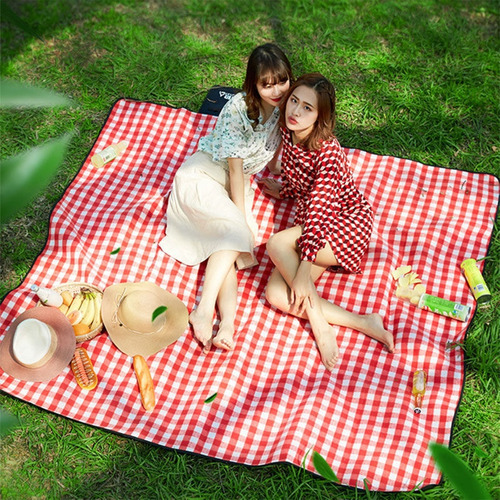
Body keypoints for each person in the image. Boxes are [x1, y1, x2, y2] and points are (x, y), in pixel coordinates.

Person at [160, 43, 293, 354]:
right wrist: (242, 218)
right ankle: (203, 311)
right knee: (236, 233)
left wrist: (280, 173)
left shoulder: (287, 104)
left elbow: (272, 151)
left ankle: (228, 323)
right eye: (266, 83)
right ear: (253, 84)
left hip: (237, 183)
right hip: (205, 175)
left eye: (282, 80)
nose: (276, 90)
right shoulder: (236, 109)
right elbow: (234, 171)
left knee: (228, 247)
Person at [260, 73, 394, 371]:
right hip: (314, 226)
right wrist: (285, 190)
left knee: (277, 243)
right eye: (294, 100)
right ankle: (363, 322)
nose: (295, 111)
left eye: (307, 108)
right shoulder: (289, 129)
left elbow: (321, 208)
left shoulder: (327, 152)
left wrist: (304, 270)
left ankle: (320, 324)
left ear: (321, 116)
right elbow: (300, 178)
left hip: (344, 224)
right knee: (276, 294)